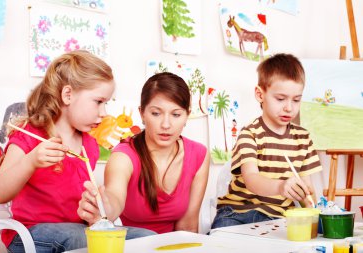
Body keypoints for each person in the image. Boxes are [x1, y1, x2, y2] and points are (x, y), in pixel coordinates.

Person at [0, 50, 115, 253]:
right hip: (29, 235)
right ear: (68, 95)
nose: (104, 113)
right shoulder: (29, 134)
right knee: (82, 240)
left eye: (107, 103)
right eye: (98, 102)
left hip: (75, 232)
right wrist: (30, 162)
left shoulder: (90, 146)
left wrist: (95, 209)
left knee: (143, 238)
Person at [78, 72, 210, 237]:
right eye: (156, 113)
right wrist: (103, 209)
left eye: (176, 114)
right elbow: (114, 197)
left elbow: (187, 227)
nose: (166, 125)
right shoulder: (123, 155)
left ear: (186, 116)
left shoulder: (199, 155)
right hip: (135, 244)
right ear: (142, 114)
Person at [211, 53, 322, 229]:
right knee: (223, 243)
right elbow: (251, 179)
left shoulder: (303, 137)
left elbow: (307, 188)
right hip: (238, 214)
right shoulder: (249, 134)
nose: (289, 107)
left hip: (278, 218)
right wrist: (280, 187)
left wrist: (315, 212)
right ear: (260, 94)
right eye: (280, 99)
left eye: (296, 100)